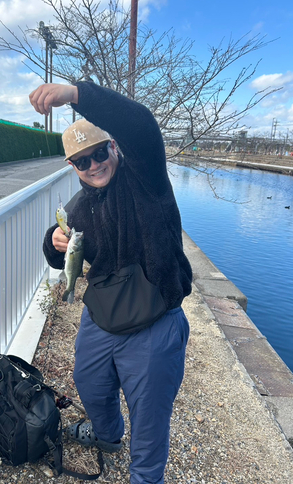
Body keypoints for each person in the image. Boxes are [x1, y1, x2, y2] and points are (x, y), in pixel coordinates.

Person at [29, 81, 192, 484]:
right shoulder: (77, 208)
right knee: (90, 382)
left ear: (115, 148)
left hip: (155, 319)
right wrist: (54, 242)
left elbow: (142, 126)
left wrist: (76, 94)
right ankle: (107, 436)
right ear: (72, 167)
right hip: (102, 317)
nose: (94, 165)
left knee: (150, 416)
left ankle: (145, 478)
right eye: (82, 161)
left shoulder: (146, 178)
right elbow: (61, 255)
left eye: (100, 152)